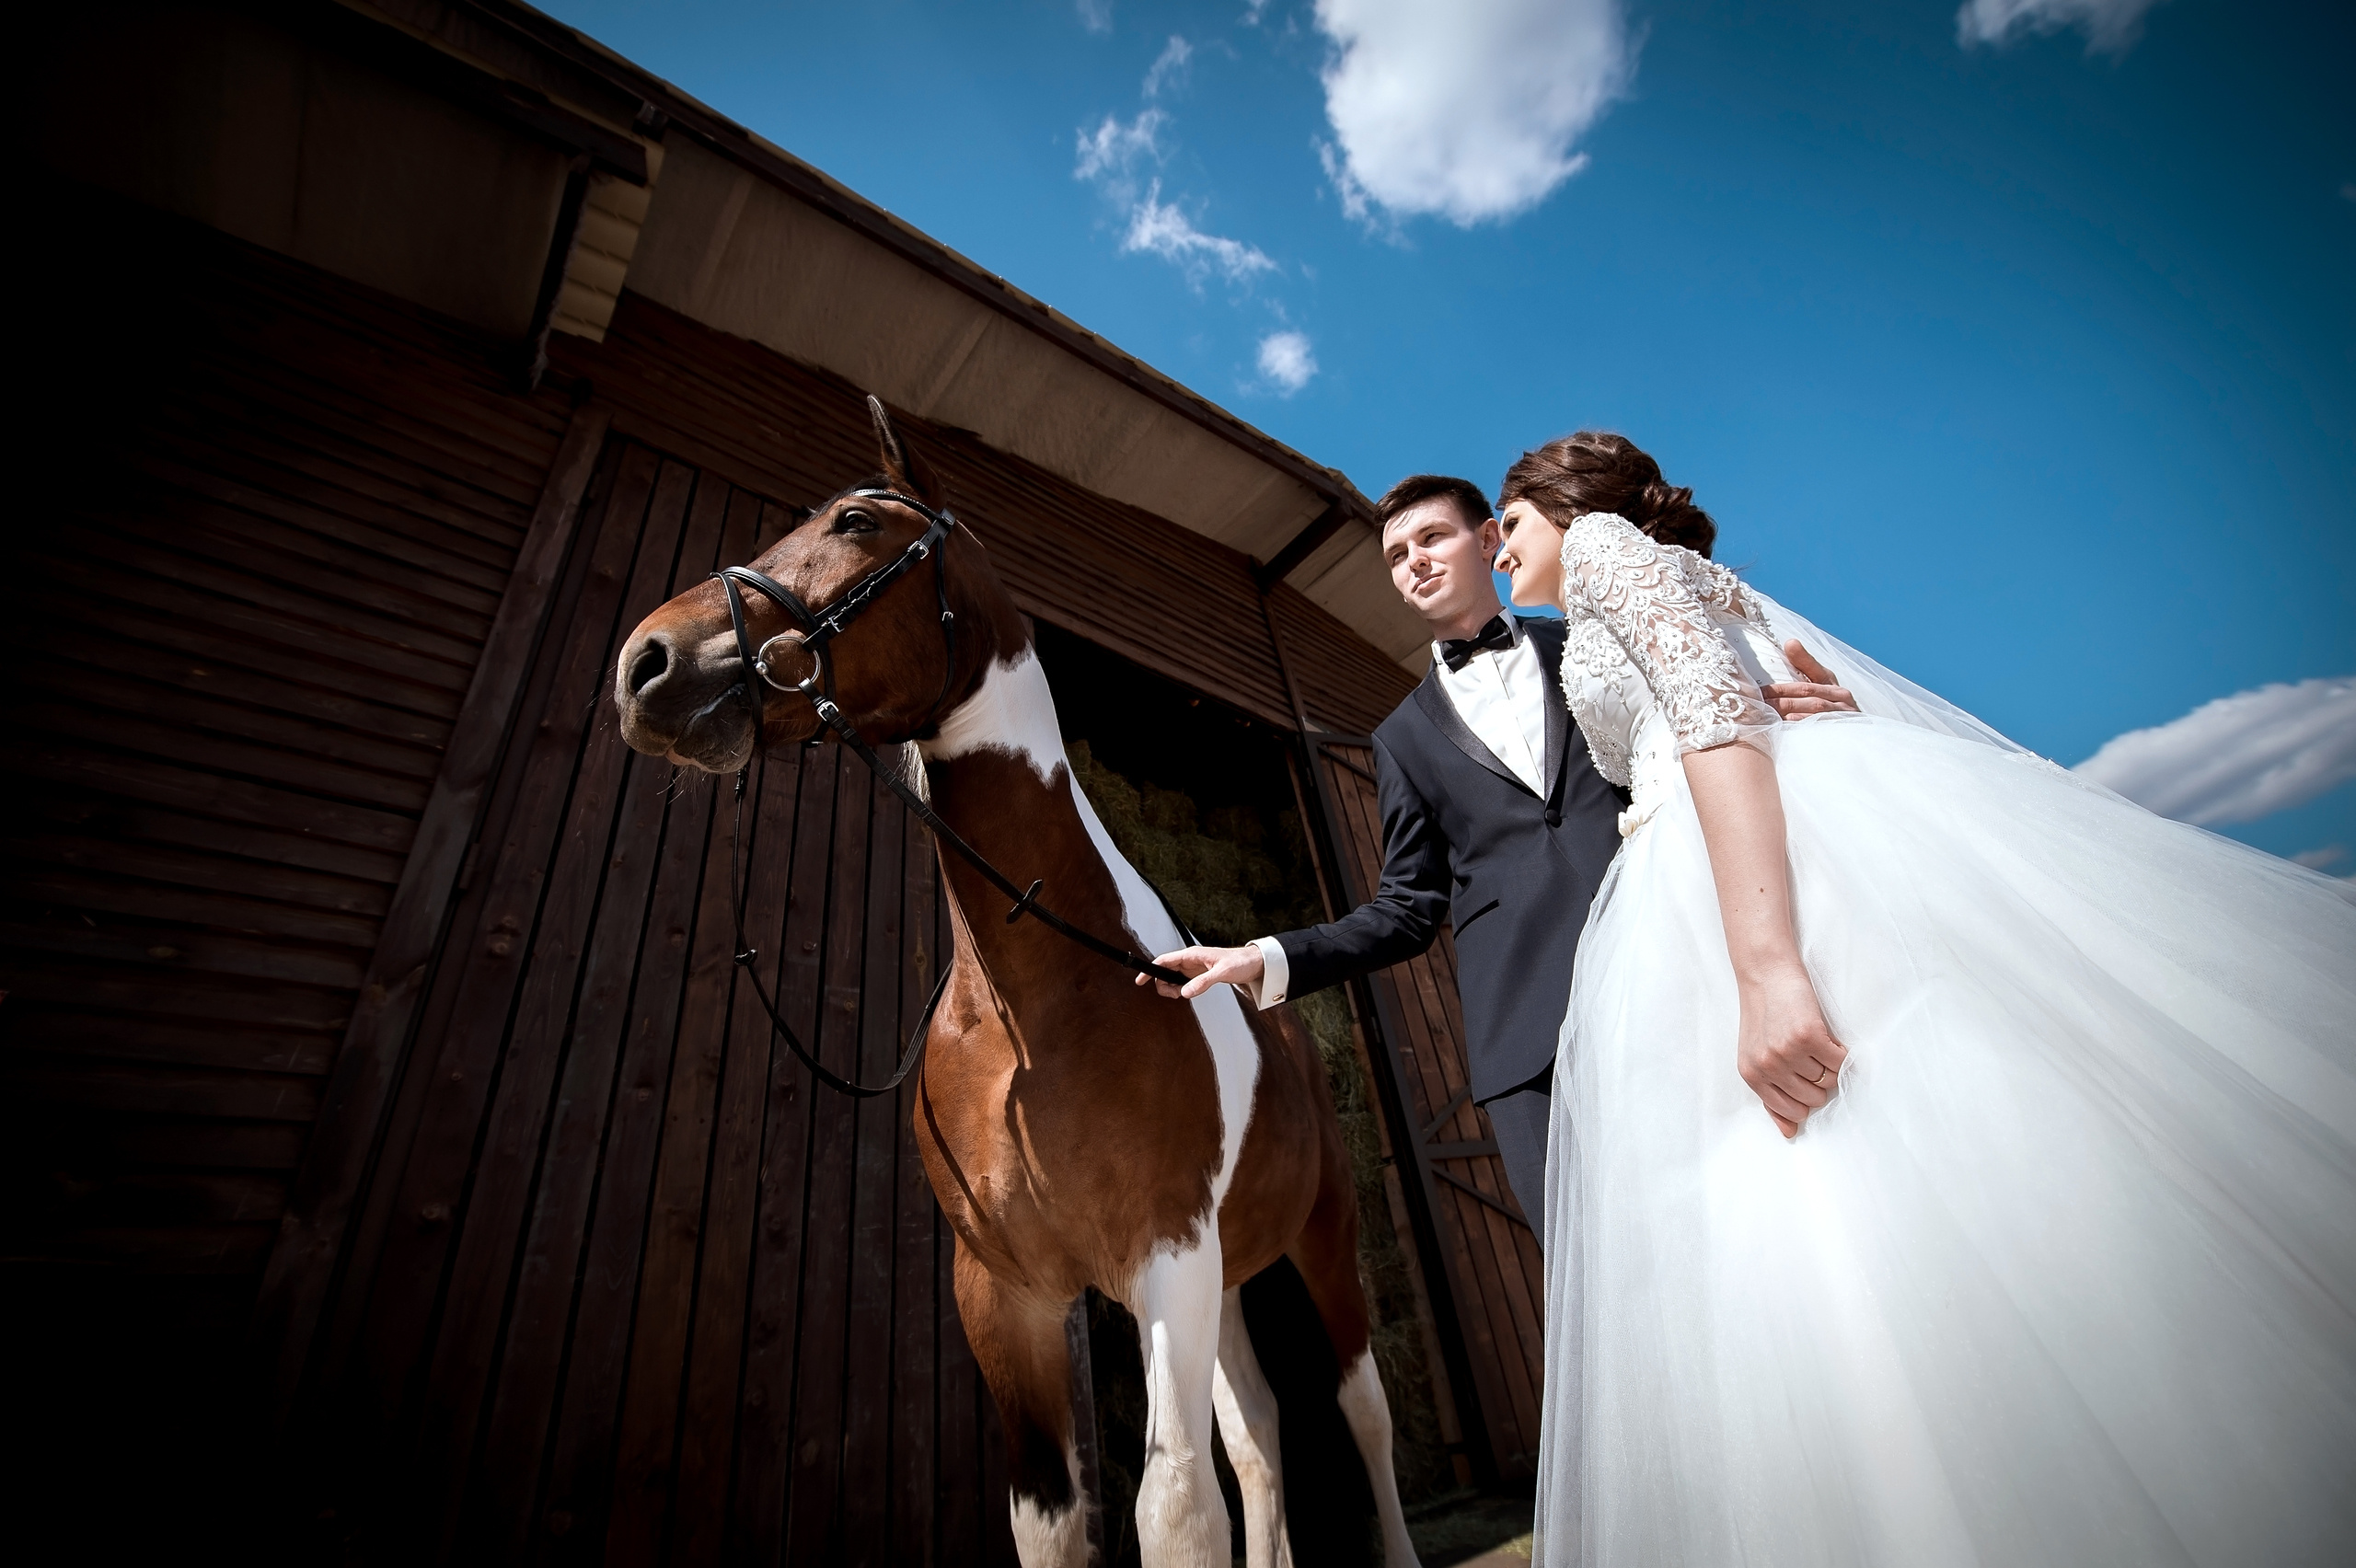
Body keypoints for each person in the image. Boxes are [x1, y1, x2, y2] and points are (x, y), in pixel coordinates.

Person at [1494, 430, 2356, 1566]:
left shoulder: (1603, 545)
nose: (1501, 548)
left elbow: (1717, 718)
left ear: (1567, 507)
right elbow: (1783, 690)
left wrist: (1766, 970)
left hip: (1728, 889)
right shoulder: (1700, 578)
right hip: (1767, 857)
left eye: (1509, 521)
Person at [1138, 473, 1856, 1229]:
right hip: (1527, 1047)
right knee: (1603, 1285)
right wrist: (1265, 957)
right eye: (1395, 555)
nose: (1412, 561)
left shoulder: (1592, 637)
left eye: (1431, 538)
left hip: (1677, 973)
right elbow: (1408, 908)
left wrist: (1799, 712)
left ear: (1488, 541)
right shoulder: (1400, 740)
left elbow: (1705, 722)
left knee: (1762, 1217)